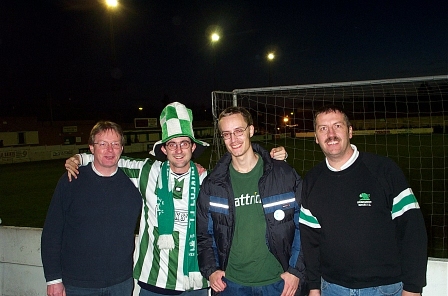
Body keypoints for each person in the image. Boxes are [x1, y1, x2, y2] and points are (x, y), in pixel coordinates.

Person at [64, 102, 288, 296]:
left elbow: (244, 168)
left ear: (193, 146)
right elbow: (109, 158)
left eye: (184, 143)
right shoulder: (147, 171)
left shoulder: (207, 180)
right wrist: (78, 157)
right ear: (164, 148)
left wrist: (272, 157)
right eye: (172, 144)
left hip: (196, 282)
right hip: (154, 282)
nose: (179, 150)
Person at [299, 105, 428, 296]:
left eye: (337, 126)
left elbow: (413, 232)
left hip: (384, 288)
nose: (331, 134)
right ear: (316, 137)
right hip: (332, 289)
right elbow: (310, 242)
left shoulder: (384, 170)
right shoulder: (311, 180)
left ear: (350, 131)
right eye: (323, 128)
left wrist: (413, 288)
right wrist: (314, 287)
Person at [196, 106, 306, 296]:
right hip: (231, 285)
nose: (233, 139)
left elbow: (304, 226)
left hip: (279, 283)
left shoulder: (283, 175)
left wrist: (295, 271)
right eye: (227, 134)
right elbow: (204, 235)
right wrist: (211, 270)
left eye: (239, 131)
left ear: (251, 130)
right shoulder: (213, 184)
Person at [41, 121, 143, 296]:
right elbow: (52, 232)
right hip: (78, 284)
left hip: (121, 283)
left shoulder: (134, 184)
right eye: (102, 144)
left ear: (122, 148)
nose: (110, 150)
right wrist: (53, 279)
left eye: (115, 144)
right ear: (91, 148)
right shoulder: (71, 181)